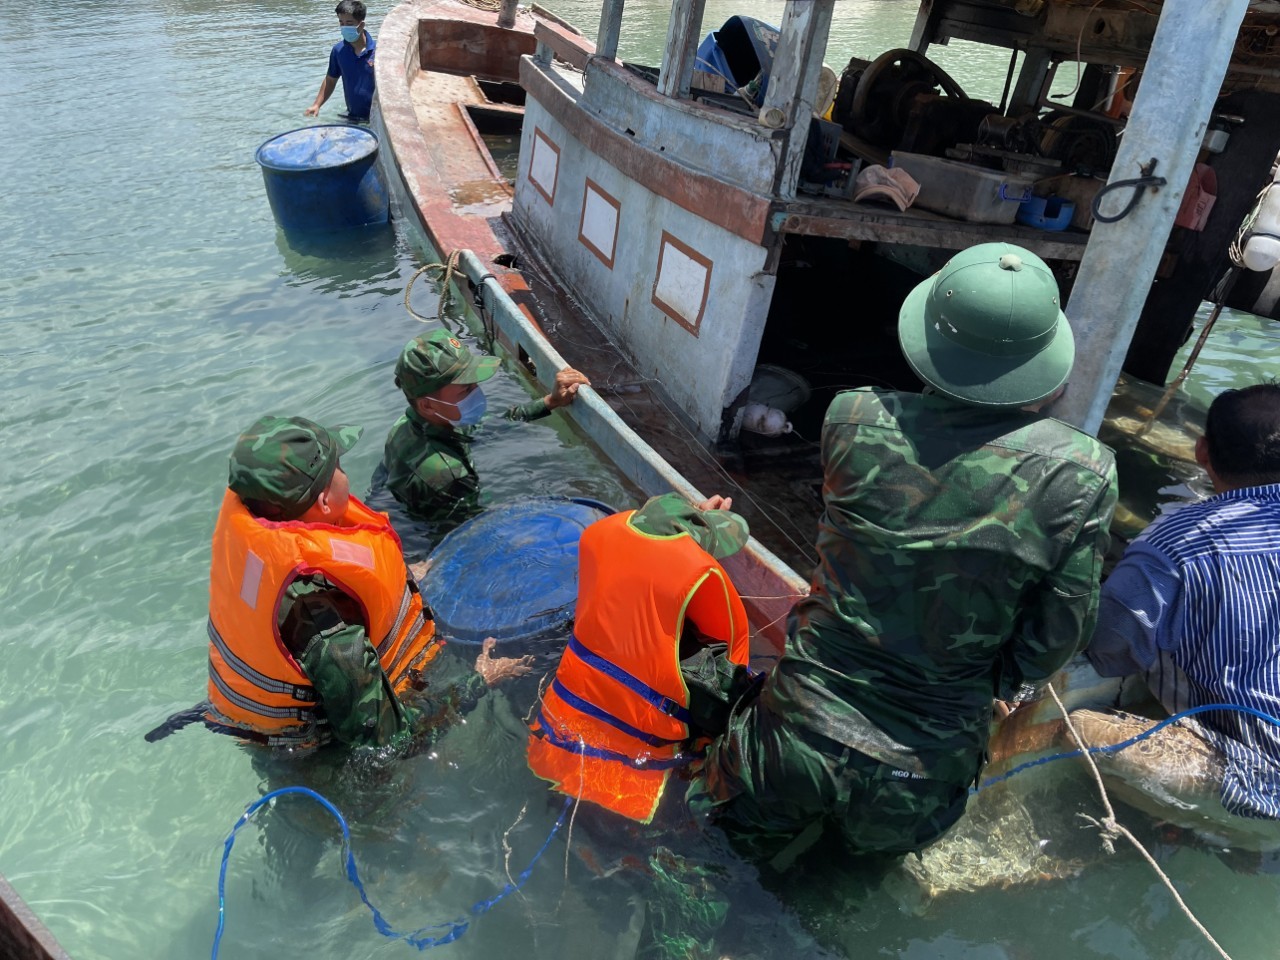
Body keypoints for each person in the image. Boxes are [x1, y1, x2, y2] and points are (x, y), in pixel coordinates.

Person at [690, 242, 1118, 861]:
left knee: (708, 874)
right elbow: (1059, 634)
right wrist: (990, 680)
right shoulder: (1084, 473)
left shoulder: (851, 416)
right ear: (1042, 361)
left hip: (796, 733)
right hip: (923, 771)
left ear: (925, 340)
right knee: (835, 905)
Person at [204, 414, 531, 752]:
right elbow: (391, 744)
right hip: (317, 760)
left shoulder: (255, 545)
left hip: (259, 719)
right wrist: (480, 680)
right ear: (324, 502)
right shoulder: (330, 632)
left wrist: (403, 578)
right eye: (339, 469)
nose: (346, 475)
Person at [1077, 382, 1280, 838]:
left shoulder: (1173, 545)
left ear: (1201, 451)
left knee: (1076, 730)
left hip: (1262, 787)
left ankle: (1201, 827)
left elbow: (1108, 652)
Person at [526, 492, 758, 824]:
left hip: (557, 742)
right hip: (634, 783)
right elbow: (727, 699)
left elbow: (650, 562)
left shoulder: (598, 545)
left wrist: (690, 524)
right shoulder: (696, 595)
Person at [382, 329, 589, 536]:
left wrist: (551, 401)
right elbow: (472, 536)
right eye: (466, 390)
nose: (477, 392)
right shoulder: (449, 475)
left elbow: (488, 425)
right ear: (427, 405)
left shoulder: (408, 424)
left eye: (474, 384)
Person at [305, 1, 376, 123]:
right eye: (341, 23)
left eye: (349, 23)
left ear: (361, 25)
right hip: (351, 116)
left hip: (376, 118)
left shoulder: (379, 51)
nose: (344, 27)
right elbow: (330, 80)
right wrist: (317, 105)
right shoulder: (338, 51)